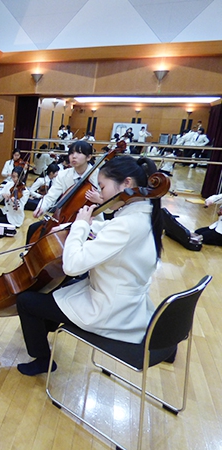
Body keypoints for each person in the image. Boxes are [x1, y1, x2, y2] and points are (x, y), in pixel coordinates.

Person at [16, 155, 164, 376]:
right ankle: (43, 330)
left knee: (27, 301)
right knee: (58, 291)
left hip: (109, 311)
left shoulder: (126, 225)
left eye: (103, 187)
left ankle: (43, 360)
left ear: (127, 183)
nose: (101, 195)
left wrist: (80, 227)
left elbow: (72, 265)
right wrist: (73, 227)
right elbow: (107, 232)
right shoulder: (144, 213)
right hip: (127, 301)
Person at [27, 140, 100, 244]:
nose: (73, 156)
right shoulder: (63, 175)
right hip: (65, 219)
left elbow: (110, 206)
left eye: (79, 153)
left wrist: (99, 199)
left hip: (91, 223)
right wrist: (41, 207)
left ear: (88, 157)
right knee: (33, 229)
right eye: (71, 153)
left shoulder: (99, 176)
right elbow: (51, 196)